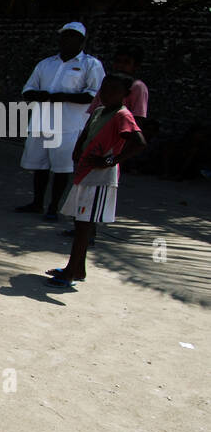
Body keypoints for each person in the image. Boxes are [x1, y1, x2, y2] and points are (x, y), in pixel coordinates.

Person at [46, 74, 145, 285]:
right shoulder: (100, 111)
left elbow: (139, 142)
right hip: (86, 172)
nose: (106, 94)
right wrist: (77, 149)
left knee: (84, 226)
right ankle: (77, 269)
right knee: (80, 222)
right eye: (104, 89)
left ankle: (71, 271)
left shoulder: (122, 115)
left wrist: (110, 160)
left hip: (99, 178)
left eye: (113, 90)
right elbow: (86, 133)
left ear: (125, 95)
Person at [16, 21, 104, 220]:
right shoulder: (46, 63)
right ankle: (37, 202)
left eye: (72, 36)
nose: (66, 40)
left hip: (68, 126)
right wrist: (41, 95)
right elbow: (28, 90)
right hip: (42, 122)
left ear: (82, 40)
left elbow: (94, 95)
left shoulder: (91, 65)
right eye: (64, 36)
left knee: (61, 168)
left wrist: (64, 97)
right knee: (39, 165)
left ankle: (53, 207)